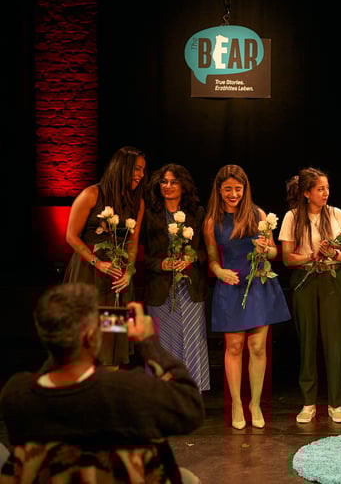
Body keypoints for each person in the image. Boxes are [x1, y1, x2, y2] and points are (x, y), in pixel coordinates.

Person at [0, 282, 204, 484]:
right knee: (188, 479)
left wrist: (60, 343)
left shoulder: (17, 394)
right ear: (90, 336)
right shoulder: (127, 389)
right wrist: (148, 341)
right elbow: (190, 408)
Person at [203, 164, 291, 430]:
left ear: (245, 189)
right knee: (234, 347)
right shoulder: (212, 221)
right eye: (228, 189)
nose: (233, 194)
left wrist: (266, 249)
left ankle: (255, 403)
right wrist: (220, 272)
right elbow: (212, 260)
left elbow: (275, 253)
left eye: (238, 189)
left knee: (258, 347)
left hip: (258, 284)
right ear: (219, 190)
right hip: (231, 285)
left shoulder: (258, 214)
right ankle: (236, 404)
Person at [278, 168, 341, 424]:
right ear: (307, 193)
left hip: (332, 279)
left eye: (327, 188)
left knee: (334, 342)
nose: (325, 193)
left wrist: (332, 254)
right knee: (307, 341)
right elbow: (287, 258)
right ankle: (309, 402)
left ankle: (336, 403)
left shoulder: (337, 215)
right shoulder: (292, 217)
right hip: (306, 280)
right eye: (320, 189)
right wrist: (312, 255)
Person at [64, 145, 147, 366]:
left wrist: (129, 272)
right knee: (86, 334)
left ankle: (108, 389)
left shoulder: (137, 203)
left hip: (116, 280)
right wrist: (97, 262)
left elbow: (133, 242)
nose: (140, 175)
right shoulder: (91, 194)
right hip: (88, 275)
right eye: (137, 169)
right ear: (122, 168)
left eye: (142, 170)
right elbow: (71, 236)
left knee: (111, 337)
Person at [142, 163, 210, 392]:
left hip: (190, 289)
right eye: (164, 182)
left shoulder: (197, 213)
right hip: (160, 290)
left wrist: (192, 259)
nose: (168, 186)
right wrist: (162, 263)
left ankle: (191, 393)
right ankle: (162, 394)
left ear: (183, 185)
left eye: (173, 182)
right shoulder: (149, 214)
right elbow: (139, 256)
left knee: (192, 341)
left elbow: (207, 253)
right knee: (163, 343)